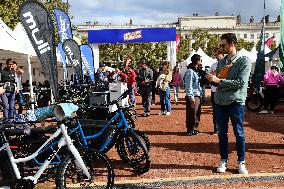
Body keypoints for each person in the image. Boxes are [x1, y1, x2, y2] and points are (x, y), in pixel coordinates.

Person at [206, 33, 251, 174]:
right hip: (220, 101)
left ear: (232, 44)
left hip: (236, 101)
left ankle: (241, 162)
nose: (221, 48)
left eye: (223, 45)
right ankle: (224, 159)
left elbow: (241, 83)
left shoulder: (244, 61)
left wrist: (219, 81)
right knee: (222, 133)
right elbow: (219, 79)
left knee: (239, 133)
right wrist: (212, 79)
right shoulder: (222, 61)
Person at [184, 54, 202, 136]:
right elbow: (188, 85)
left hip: (197, 95)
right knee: (192, 113)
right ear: (197, 61)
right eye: (200, 60)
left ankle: (194, 128)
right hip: (193, 96)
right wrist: (191, 97)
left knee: (197, 113)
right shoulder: (190, 71)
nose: (201, 62)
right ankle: (190, 129)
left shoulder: (195, 71)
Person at [209, 48, 224, 134]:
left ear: (221, 54)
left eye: (217, 55)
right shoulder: (213, 65)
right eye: (215, 55)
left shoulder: (227, 64)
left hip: (223, 90)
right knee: (215, 110)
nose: (216, 56)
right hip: (214, 90)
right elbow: (211, 76)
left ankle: (222, 128)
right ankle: (216, 128)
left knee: (223, 110)